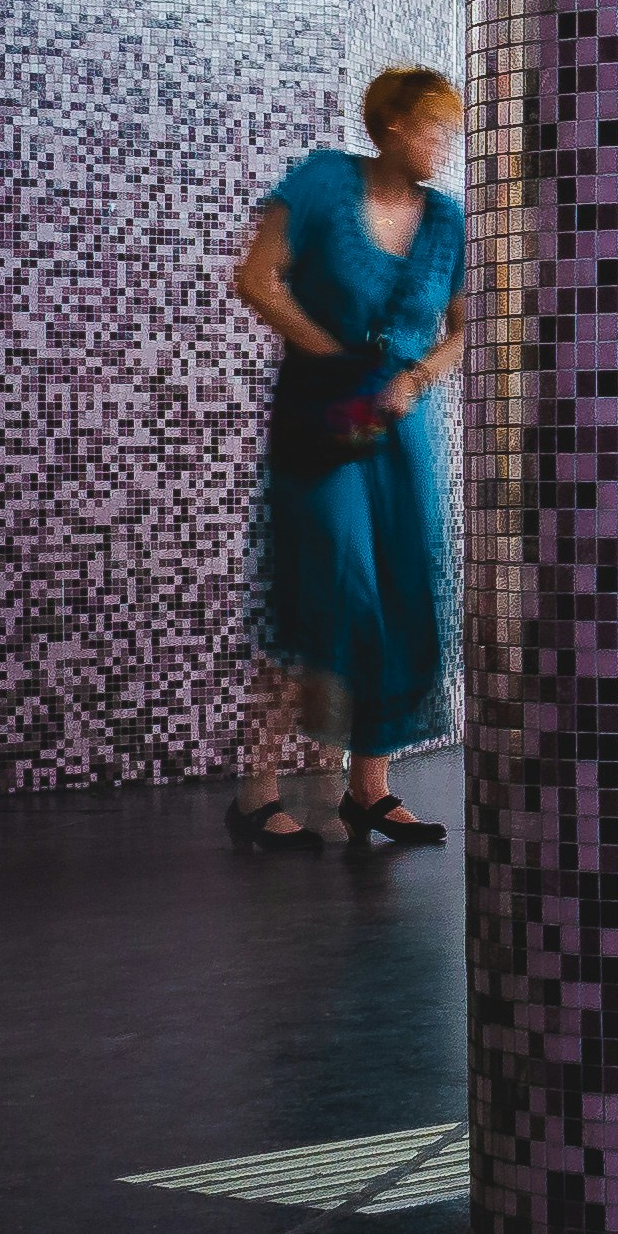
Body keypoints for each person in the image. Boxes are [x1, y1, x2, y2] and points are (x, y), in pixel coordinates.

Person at [225, 68, 467, 855]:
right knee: (328, 588)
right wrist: (328, 354)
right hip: (319, 420)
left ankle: (370, 789)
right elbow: (256, 280)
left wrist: (417, 377)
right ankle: (257, 790)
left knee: (399, 594)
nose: (443, 145)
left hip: (397, 434)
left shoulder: (447, 222)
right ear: (393, 124)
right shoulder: (325, 181)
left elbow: (467, 328)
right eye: (433, 128)